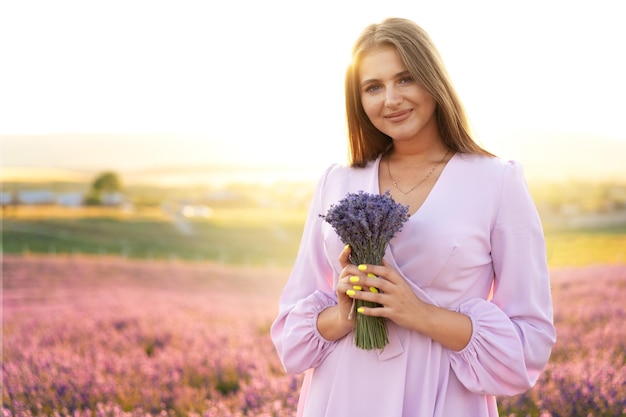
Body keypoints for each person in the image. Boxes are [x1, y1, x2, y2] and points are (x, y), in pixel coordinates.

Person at [270, 17, 556, 417]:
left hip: (441, 397)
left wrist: (419, 313)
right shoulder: (337, 180)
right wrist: (341, 315)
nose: (390, 99)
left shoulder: (497, 181)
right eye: (373, 87)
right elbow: (290, 334)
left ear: (433, 80)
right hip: (340, 396)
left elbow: (529, 344)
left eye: (405, 79)